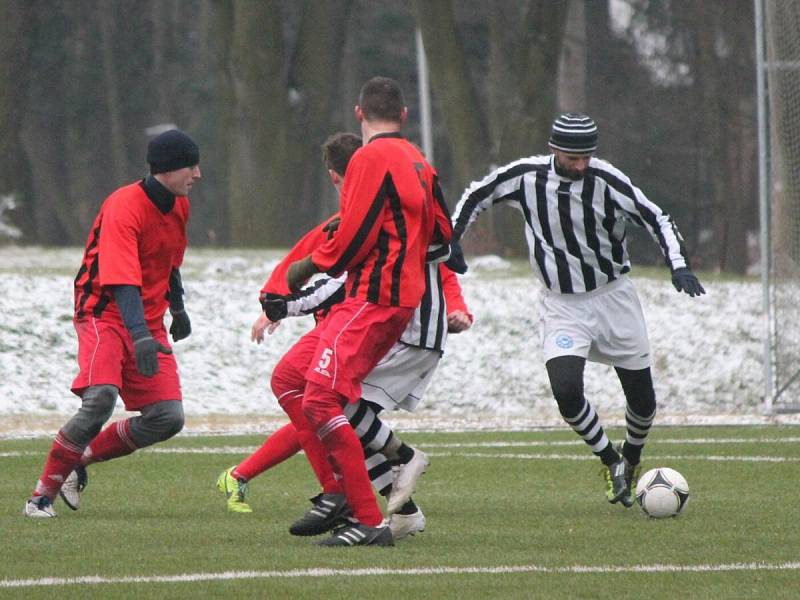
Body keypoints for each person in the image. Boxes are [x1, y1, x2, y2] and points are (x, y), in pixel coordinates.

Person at [216, 132, 472, 542]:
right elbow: (319, 251)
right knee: (293, 382)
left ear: (342, 176)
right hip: (370, 318)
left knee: (329, 404)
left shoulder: (384, 214)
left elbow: (343, 272)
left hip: (396, 324)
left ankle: (368, 502)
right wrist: (276, 295)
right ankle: (355, 495)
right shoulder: (382, 203)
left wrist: (286, 302)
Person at [450, 112, 705, 508]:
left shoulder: (608, 182)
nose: (581, 165)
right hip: (562, 305)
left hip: (614, 298)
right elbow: (476, 195)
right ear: (554, 150)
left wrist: (680, 264)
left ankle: (631, 461)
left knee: (643, 401)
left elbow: (656, 217)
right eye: (573, 158)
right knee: (566, 390)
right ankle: (609, 460)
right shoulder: (526, 177)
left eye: (587, 157)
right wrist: (453, 241)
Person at [282, 76, 453, 546]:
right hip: (397, 300)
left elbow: (353, 238)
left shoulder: (367, 159)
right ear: (403, 116)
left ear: (359, 114)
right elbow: (444, 237)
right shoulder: (419, 161)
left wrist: (309, 265)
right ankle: (375, 477)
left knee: (321, 399)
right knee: (294, 380)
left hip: (373, 298)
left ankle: (366, 515)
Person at [24, 129, 201, 518]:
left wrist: (179, 309)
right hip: (103, 312)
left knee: (167, 417)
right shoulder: (124, 206)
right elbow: (120, 279)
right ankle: (40, 497)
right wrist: (138, 335)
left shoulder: (179, 205)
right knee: (101, 397)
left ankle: (79, 460)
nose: (198, 174)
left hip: (146, 320)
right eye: (191, 165)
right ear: (169, 169)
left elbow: (170, 262)